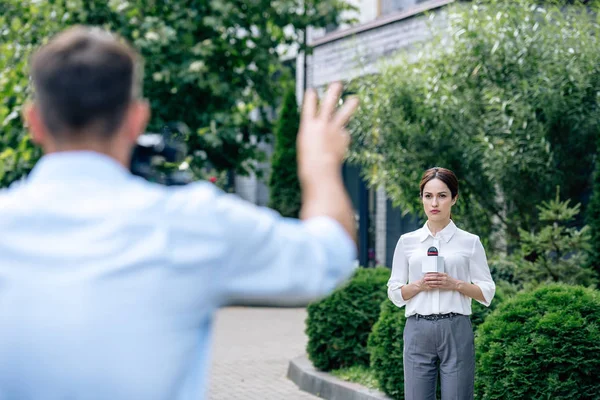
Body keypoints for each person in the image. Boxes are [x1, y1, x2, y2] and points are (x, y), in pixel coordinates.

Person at [0, 26, 359, 400]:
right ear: (137, 119)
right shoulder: (193, 223)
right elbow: (328, 258)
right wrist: (319, 165)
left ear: (34, 121)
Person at [387, 167, 496, 400]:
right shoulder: (407, 242)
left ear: (454, 198)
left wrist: (455, 284)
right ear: (422, 199)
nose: (434, 202)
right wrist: (419, 285)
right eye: (428, 196)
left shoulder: (470, 242)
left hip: (456, 328)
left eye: (442, 195)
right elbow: (395, 292)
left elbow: (487, 291)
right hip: (417, 330)